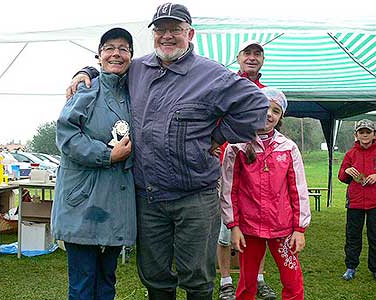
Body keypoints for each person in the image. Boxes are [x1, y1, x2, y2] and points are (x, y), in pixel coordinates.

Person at [66, 3, 269, 299]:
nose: (167, 36)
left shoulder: (211, 74)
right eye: (161, 29)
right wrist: (83, 71)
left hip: (195, 197)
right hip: (148, 198)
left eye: (176, 29)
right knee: (155, 277)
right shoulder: (137, 69)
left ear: (190, 33)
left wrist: (219, 135)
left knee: (197, 277)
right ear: (154, 34)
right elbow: (109, 68)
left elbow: (257, 105)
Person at [51, 27, 136, 300]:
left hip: (116, 206)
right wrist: (107, 155)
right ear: (99, 55)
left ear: (131, 57)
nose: (116, 54)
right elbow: (66, 135)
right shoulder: (86, 89)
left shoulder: (134, 93)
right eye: (109, 48)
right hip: (82, 203)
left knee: (107, 281)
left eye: (123, 48)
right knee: (82, 283)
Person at [221, 87, 311, 300]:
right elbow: (228, 189)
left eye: (276, 111)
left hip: (284, 229)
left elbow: (298, 190)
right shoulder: (237, 146)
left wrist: (299, 229)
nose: (269, 114)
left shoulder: (288, 148)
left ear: (280, 117)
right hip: (249, 229)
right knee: (247, 282)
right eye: (264, 107)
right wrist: (233, 226)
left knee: (292, 281)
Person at [217, 40, 276, 300]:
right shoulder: (226, 85)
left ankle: (257, 279)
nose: (252, 58)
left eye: (257, 54)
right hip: (228, 170)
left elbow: (274, 130)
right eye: (247, 53)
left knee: (258, 228)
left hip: (258, 172)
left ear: (262, 60)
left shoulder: (270, 92)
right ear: (238, 58)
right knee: (224, 228)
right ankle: (226, 281)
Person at [338, 119, 376, 281]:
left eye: (368, 132)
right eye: (362, 132)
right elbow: (341, 177)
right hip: (355, 202)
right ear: (356, 135)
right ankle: (351, 267)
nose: (365, 135)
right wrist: (347, 171)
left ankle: (374, 269)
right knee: (353, 236)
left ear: (374, 134)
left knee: (375, 237)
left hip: (375, 202)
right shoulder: (350, 154)